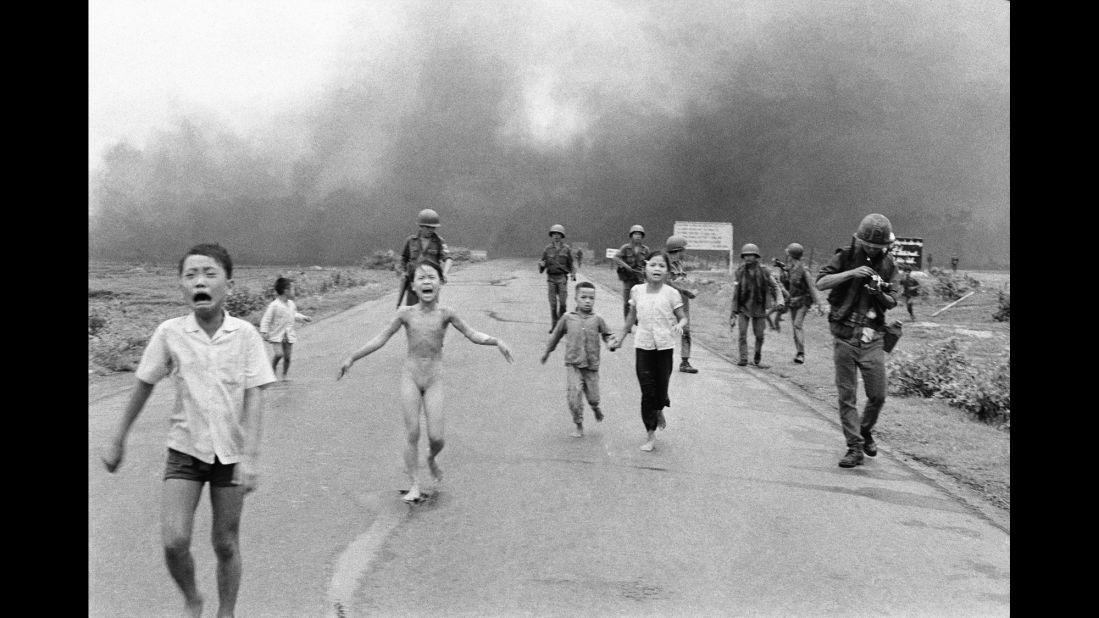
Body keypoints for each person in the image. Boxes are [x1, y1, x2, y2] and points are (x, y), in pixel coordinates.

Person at [100, 243, 276, 618]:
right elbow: (144, 383)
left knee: (225, 543)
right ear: (180, 285)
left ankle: (226, 612)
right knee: (174, 541)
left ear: (229, 283)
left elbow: (256, 396)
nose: (200, 281)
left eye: (210, 274)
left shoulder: (244, 334)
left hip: (230, 454)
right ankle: (193, 598)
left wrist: (251, 457)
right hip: (185, 451)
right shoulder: (170, 333)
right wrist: (118, 437)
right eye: (191, 275)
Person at [337, 262, 513, 502]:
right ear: (413, 286)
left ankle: (431, 458)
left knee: (437, 437)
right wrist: (352, 357)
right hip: (410, 376)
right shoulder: (405, 314)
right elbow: (381, 338)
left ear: (441, 283)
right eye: (421, 278)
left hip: (434, 379)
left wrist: (496, 341)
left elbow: (472, 334)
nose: (427, 281)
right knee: (412, 432)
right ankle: (414, 484)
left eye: (432, 277)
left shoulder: (446, 314)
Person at [816, 213, 901, 468]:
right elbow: (821, 282)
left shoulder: (889, 265)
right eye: (869, 245)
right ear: (859, 239)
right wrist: (852, 273)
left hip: (873, 337)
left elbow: (893, 299)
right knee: (847, 395)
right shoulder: (843, 256)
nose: (873, 250)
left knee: (878, 395)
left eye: (879, 247)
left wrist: (879, 292)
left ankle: (864, 431)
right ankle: (854, 447)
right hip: (844, 335)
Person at [609, 251, 689, 452]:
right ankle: (650, 433)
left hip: (664, 347)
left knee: (660, 391)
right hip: (643, 346)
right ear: (646, 268)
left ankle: (659, 407)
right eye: (653, 264)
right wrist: (620, 338)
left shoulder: (672, 293)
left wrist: (680, 324)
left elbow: (683, 316)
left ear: (667, 271)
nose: (657, 269)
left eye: (662, 266)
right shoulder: (637, 291)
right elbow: (630, 319)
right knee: (647, 391)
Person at [540, 281, 618, 437]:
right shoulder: (567, 318)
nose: (588, 301)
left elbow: (608, 334)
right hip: (573, 364)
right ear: (575, 298)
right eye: (583, 297)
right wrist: (547, 352)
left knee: (594, 398)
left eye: (591, 298)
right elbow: (555, 336)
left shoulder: (598, 319)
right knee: (574, 396)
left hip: (591, 366)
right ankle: (579, 424)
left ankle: (595, 408)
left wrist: (611, 343)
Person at [729, 243, 783, 368]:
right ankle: (743, 358)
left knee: (759, 335)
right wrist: (733, 311)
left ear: (756, 256)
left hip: (759, 307)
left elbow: (775, 286)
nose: (748, 258)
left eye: (751, 255)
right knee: (742, 333)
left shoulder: (765, 271)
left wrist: (780, 301)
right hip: (744, 307)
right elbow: (736, 292)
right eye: (746, 255)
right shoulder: (740, 272)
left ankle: (757, 355)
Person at [258, 277, 313, 381]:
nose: (294, 291)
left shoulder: (291, 304)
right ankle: (272, 369)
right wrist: (264, 331)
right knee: (279, 354)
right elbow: (266, 319)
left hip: (288, 335)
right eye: (292, 289)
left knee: (287, 357)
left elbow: (293, 315)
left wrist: (303, 318)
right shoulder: (274, 305)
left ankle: (284, 375)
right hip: (277, 335)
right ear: (285, 291)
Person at [398, 208, 453, 306]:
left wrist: (444, 274)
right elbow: (403, 259)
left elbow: (448, 258)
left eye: (433, 227)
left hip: (431, 284)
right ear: (421, 226)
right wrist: (403, 273)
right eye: (427, 227)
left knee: (430, 311)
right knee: (412, 312)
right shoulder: (411, 241)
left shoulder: (439, 241)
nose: (430, 230)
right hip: (414, 283)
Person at [782, 243, 824, 364]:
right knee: (795, 328)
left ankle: (801, 354)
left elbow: (812, 287)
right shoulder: (790, 269)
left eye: (789, 254)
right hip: (793, 302)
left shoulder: (804, 270)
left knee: (797, 325)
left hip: (804, 302)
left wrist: (819, 304)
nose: (787, 257)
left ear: (792, 255)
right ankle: (798, 353)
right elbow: (787, 285)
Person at [664, 235, 700, 374]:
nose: (684, 252)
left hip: (682, 302)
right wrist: (685, 290)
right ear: (677, 249)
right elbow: (667, 282)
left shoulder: (679, 264)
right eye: (682, 250)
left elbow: (682, 281)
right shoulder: (665, 264)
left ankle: (685, 362)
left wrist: (690, 289)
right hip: (669, 302)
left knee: (686, 331)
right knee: (665, 331)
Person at [538, 224, 576, 333]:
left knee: (563, 304)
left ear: (562, 236)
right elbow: (542, 265)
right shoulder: (547, 249)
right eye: (554, 234)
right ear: (551, 235)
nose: (556, 236)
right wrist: (541, 265)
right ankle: (555, 325)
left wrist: (573, 273)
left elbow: (571, 264)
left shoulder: (567, 249)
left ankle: (561, 324)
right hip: (551, 279)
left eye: (558, 234)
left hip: (562, 278)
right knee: (553, 304)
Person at [611, 225, 651, 321]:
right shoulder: (625, 248)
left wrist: (646, 270)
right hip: (628, 278)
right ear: (631, 235)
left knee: (640, 301)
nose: (638, 236)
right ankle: (627, 323)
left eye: (640, 234)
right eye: (635, 234)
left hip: (640, 278)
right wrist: (626, 266)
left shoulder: (645, 250)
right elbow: (616, 258)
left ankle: (636, 319)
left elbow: (650, 262)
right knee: (627, 302)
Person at [765, 258, 791, 332]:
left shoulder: (780, 288)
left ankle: (777, 329)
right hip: (777, 305)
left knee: (776, 320)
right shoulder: (770, 288)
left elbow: (788, 296)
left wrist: (782, 304)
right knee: (766, 315)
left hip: (783, 305)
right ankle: (772, 327)